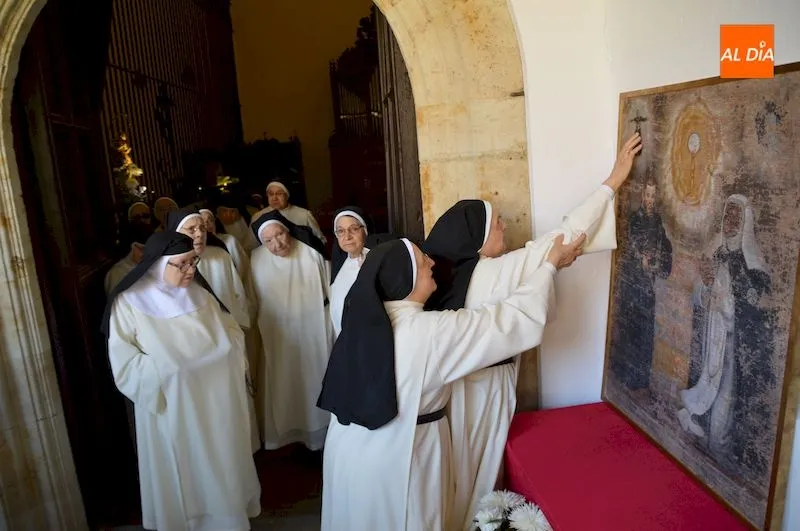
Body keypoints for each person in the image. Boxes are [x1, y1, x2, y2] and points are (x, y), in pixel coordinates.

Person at [421, 132, 643, 530]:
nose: (504, 226)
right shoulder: (493, 271)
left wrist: (550, 264)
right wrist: (612, 181)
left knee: (461, 469)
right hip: (486, 390)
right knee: (481, 467)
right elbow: (566, 236)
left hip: (458, 391)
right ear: (477, 237)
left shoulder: (458, 278)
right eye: (496, 223)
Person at [316, 232, 585, 531]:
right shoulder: (429, 331)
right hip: (406, 453)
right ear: (405, 278)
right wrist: (549, 266)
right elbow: (508, 321)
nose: (431, 262)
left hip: (348, 452)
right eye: (422, 261)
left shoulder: (359, 326)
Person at [102, 231, 261, 531]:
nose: (191, 270)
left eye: (193, 262)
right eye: (183, 264)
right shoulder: (129, 302)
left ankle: (228, 518)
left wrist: (223, 356)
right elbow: (125, 362)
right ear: (158, 264)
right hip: (171, 405)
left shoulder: (200, 294)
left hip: (216, 400)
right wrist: (169, 372)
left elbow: (231, 331)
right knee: (184, 469)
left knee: (221, 463)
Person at [168, 207, 259, 452]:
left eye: (202, 228)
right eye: (192, 229)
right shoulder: (170, 267)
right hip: (197, 352)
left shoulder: (220, 256)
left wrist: (237, 334)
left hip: (228, 341)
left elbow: (238, 297)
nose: (200, 233)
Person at [250, 210, 333, 451]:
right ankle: (289, 435)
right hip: (279, 336)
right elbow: (252, 301)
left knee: (316, 380)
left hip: (314, 330)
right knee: (285, 385)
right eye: (269, 240)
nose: (277, 244)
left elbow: (330, 290)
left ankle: (322, 434)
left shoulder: (311, 252)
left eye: (280, 235)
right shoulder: (255, 259)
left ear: (288, 230)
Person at [610, 178, 673, 393]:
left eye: (653, 196)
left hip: (647, 286)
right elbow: (632, 245)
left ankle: (640, 380)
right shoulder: (634, 220)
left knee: (645, 331)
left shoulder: (658, 221)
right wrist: (641, 258)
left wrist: (658, 261)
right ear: (642, 196)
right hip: (632, 284)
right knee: (631, 329)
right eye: (647, 195)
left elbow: (663, 247)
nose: (650, 199)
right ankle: (626, 376)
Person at [329, 206, 397, 337]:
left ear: (365, 231)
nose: (347, 236)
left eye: (354, 229)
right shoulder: (340, 266)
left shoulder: (379, 262)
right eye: (341, 231)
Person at [250, 180, 326, 244]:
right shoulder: (257, 217)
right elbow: (250, 246)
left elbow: (320, 239)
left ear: (287, 196)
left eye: (279, 193)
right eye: (271, 194)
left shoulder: (304, 215)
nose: (274, 198)